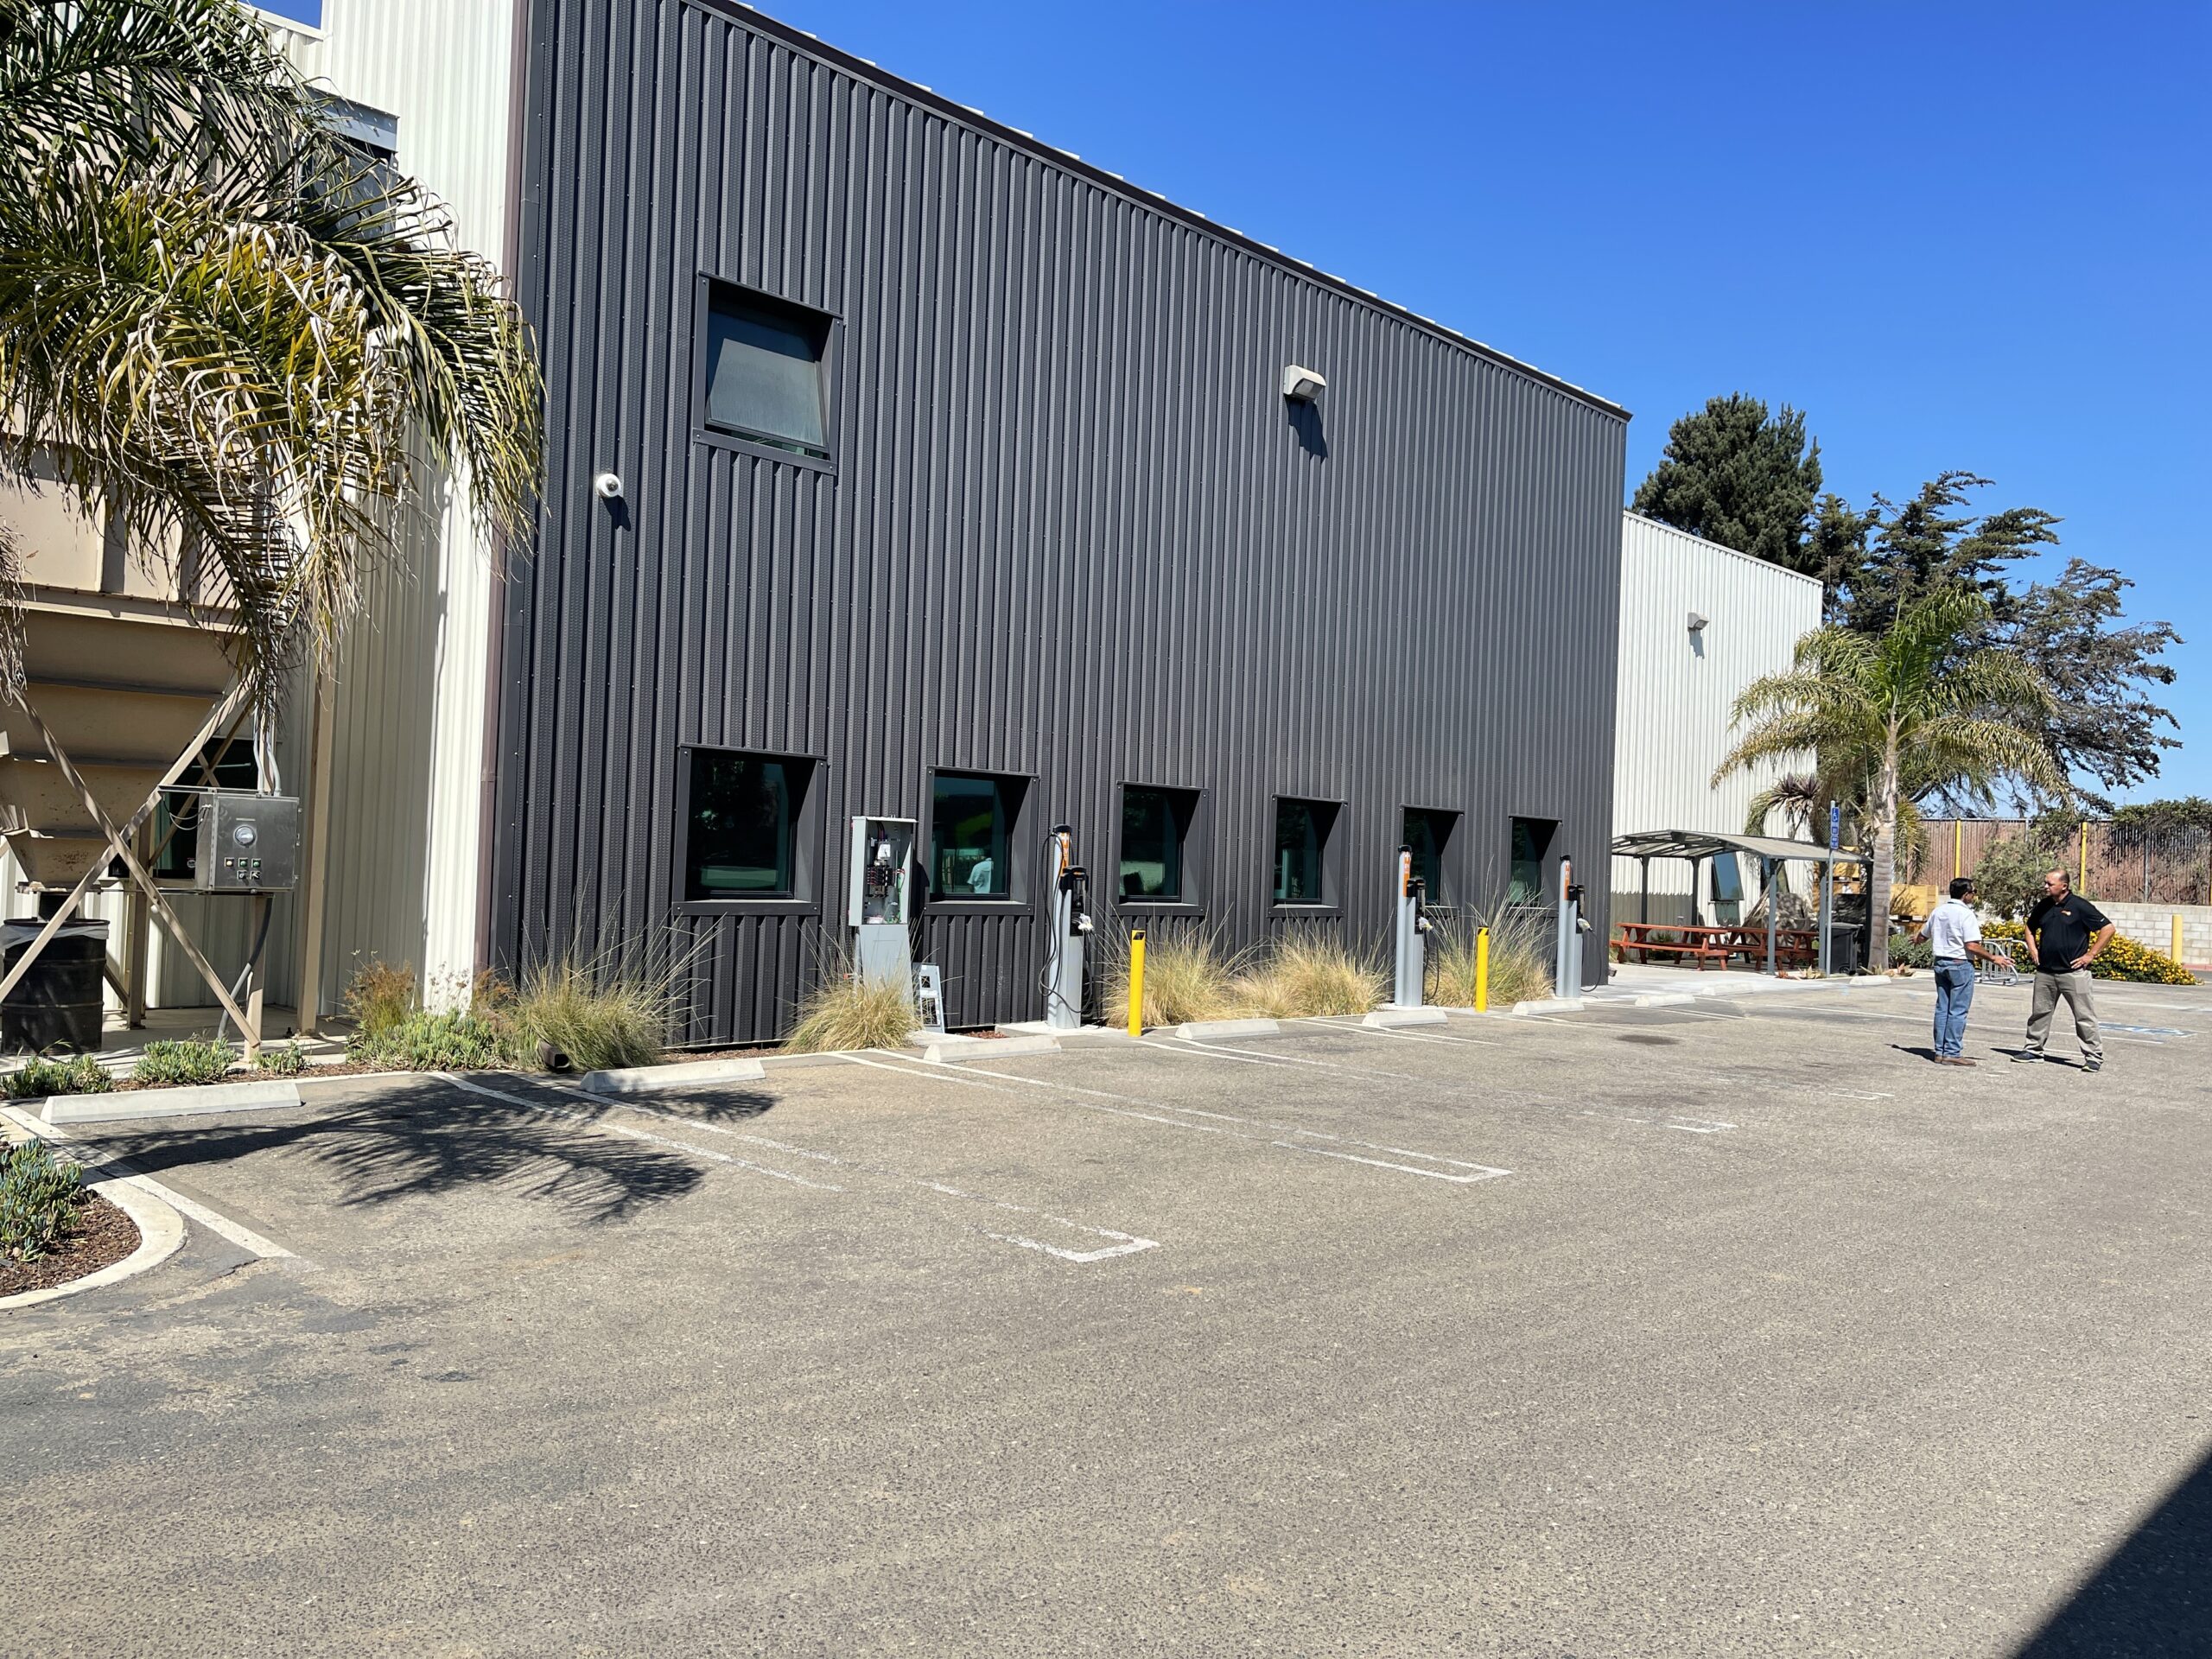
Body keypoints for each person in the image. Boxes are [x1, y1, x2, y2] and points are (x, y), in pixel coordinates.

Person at [2012, 868, 2114, 1071]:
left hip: (2073, 973)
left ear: (2064, 886)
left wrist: (2090, 955)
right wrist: (2033, 949)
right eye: (2046, 883)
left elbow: (2108, 928)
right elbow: (2030, 927)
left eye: (2050, 884)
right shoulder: (2043, 905)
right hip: (2046, 972)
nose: (2046, 887)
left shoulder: (2080, 906)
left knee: (2084, 1016)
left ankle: (2093, 1056)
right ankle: (2033, 1050)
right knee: (2039, 1013)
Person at [1912, 877, 2006, 1065]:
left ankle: (1940, 1051)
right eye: (1973, 892)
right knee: (1958, 1010)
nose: (1974, 896)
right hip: (1960, 963)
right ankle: (1952, 1053)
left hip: (1941, 962)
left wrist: (1915, 940)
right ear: (1966, 894)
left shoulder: (1938, 911)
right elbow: (1971, 945)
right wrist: (1993, 957)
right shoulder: (1966, 914)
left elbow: (1923, 936)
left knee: (1942, 1008)